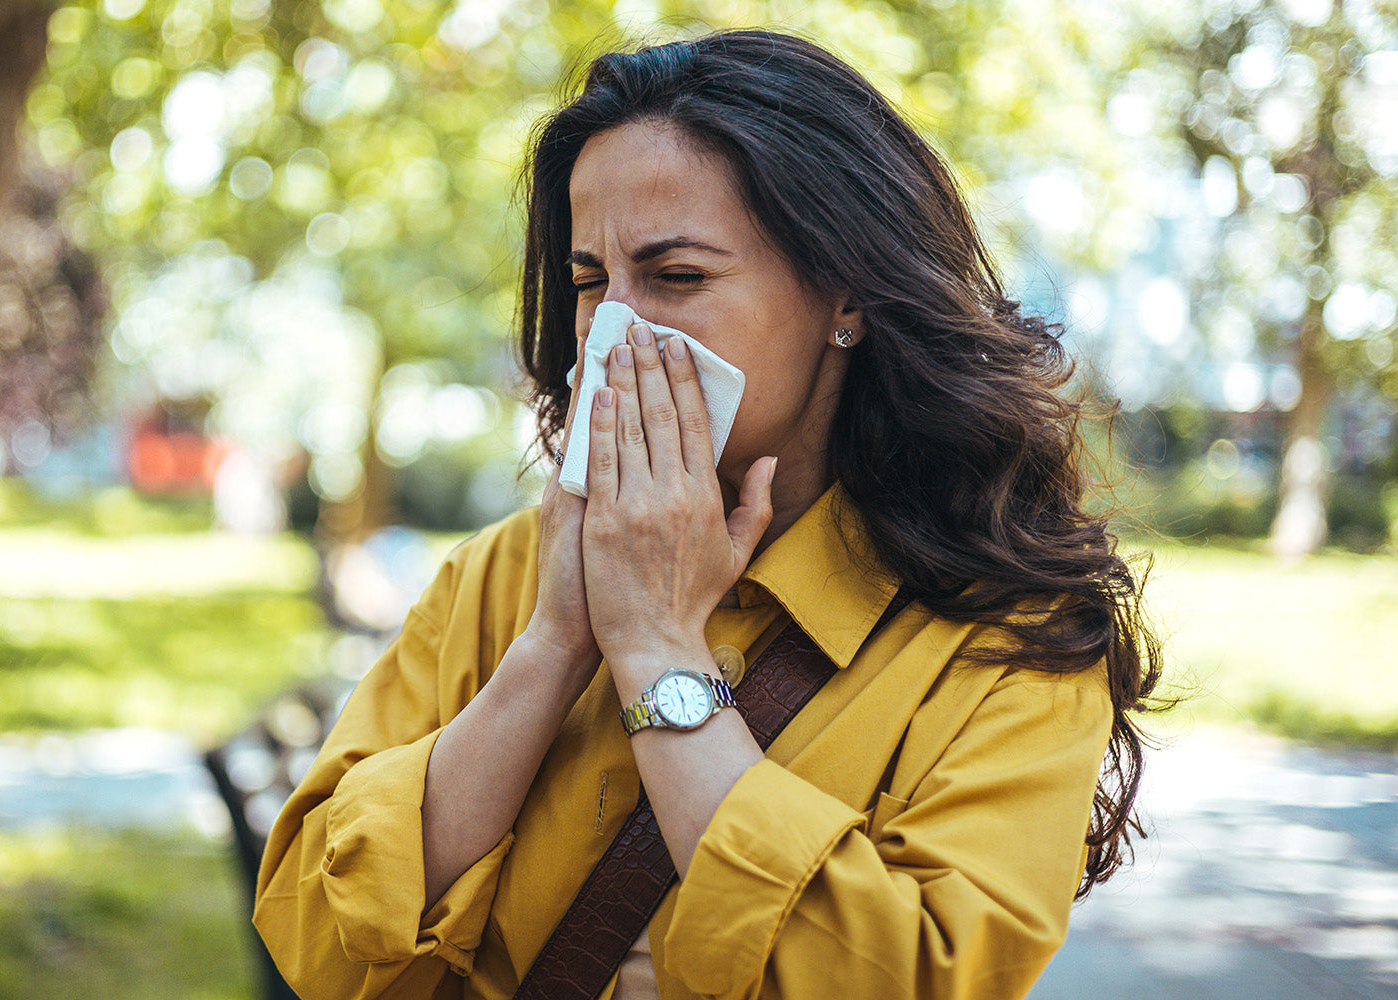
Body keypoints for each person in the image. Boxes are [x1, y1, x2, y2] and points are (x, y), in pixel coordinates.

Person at [255, 28, 1160, 1000]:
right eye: (590, 281)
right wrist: (554, 643)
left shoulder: (1010, 638)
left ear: (846, 296)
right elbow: (314, 939)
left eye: (678, 277)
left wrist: (656, 651)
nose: (613, 329)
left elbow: (908, 977)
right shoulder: (504, 572)